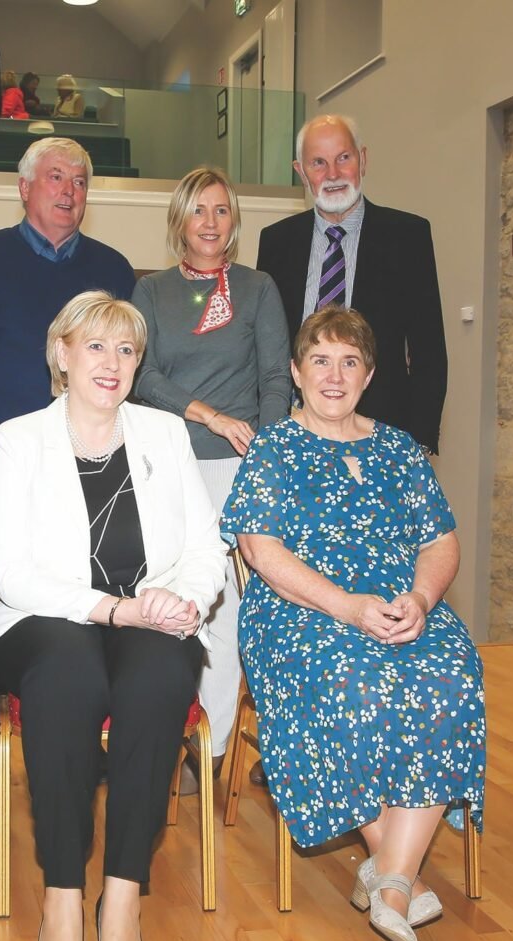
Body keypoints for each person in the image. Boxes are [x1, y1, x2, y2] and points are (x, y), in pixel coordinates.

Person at [0, 292, 226, 941]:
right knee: (66, 680)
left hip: (147, 616)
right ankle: (63, 893)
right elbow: (9, 570)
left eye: (125, 350)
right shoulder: (18, 438)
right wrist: (112, 609)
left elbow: (203, 546)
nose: (111, 363)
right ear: (61, 354)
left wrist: (181, 601)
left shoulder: (161, 434)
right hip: (43, 617)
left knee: (156, 684)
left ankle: (120, 896)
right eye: (94, 346)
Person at [221, 305, 485, 941]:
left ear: (367, 376)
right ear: (295, 371)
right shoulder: (274, 447)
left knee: (446, 676)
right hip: (301, 611)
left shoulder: (397, 447)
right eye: (319, 360)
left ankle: (390, 879)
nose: (333, 376)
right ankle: (399, 875)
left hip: (399, 605)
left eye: (348, 362)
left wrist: (421, 598)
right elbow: (259, 551)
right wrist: (345, 606)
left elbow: (440, 542)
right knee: (352, 683)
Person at [133, 166, 291, 785]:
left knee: (222, 614)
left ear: (234, 223)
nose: (210, 223)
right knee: (165, 603)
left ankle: (212, 749)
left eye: (221, 211)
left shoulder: (257, 289)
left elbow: (276, 377)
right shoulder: (151, 292)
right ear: (179, 220)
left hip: (237, 468)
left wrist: (267, 453)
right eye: (198, 210)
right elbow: (141, 376)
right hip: (165, 461)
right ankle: (161, 737)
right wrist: (209, 414)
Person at [257, 114, 447, 454]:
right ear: (301, 172)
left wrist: (417, 442)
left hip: (384, 438)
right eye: (318, 163)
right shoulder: (275, 243)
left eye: (343, 158)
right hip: (297, 434)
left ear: (363, 160)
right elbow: (266, 348)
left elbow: (429, 349)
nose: (332, 174)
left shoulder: (408, 236)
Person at [0, 136, 136, 479]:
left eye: (79, 182)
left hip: (90, 456)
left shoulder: (114, 270)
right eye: (56, 177)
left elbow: (127, 364)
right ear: (24, 187)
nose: (69, 191)